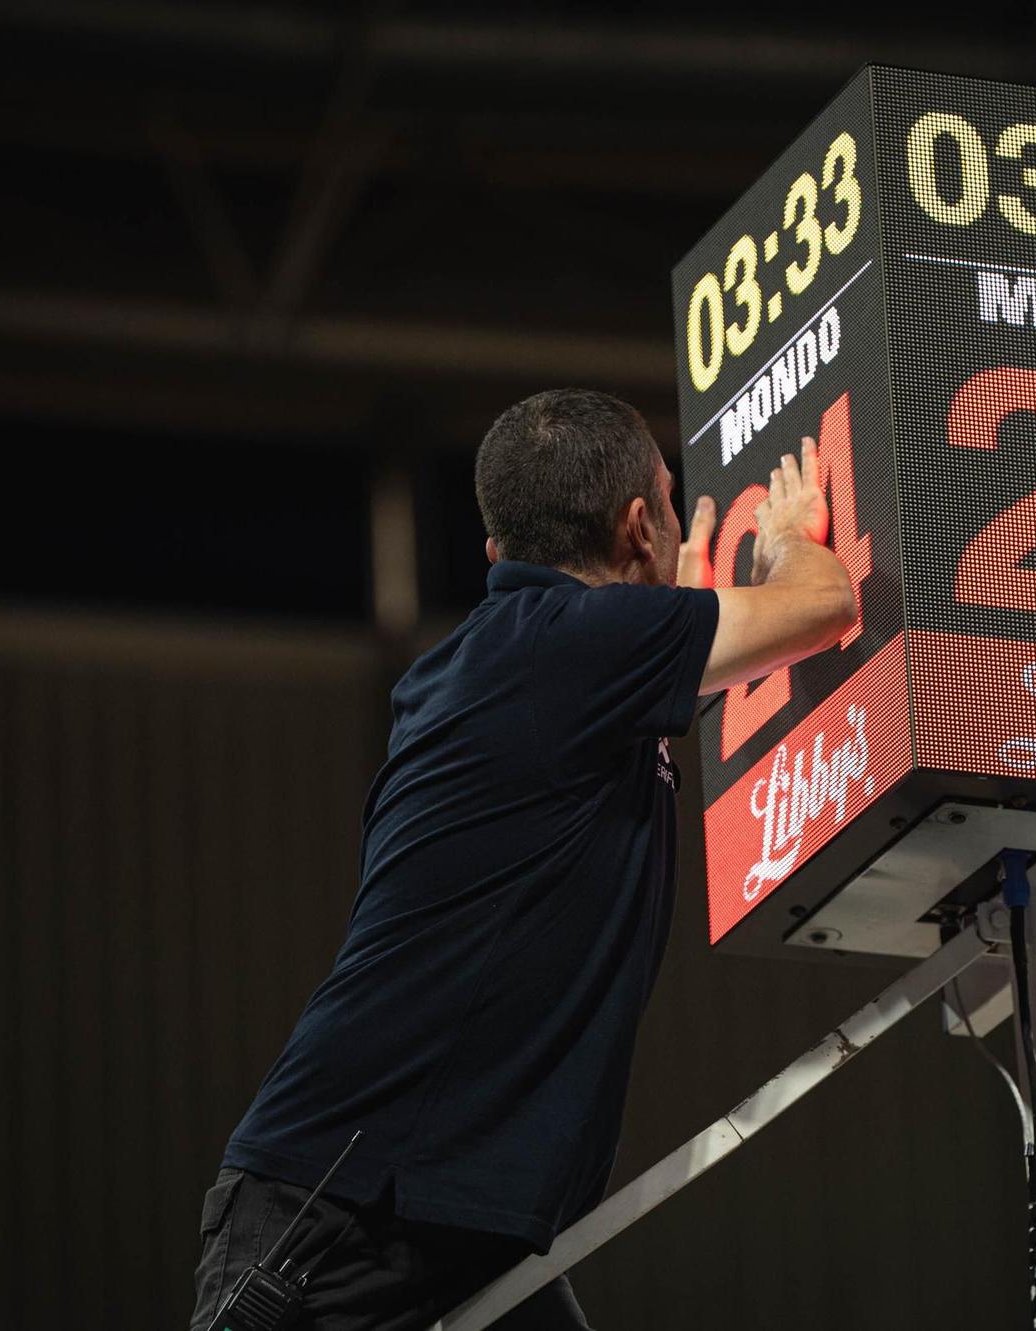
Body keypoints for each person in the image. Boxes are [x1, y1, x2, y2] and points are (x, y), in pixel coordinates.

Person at [189, 388, 856, 1331]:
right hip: (346, 1223)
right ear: (638, 527)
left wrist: (674, 618)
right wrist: (787, 538)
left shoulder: (517, 663)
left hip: (450, 1226)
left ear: (499, 551)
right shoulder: (571, 648)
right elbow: (825, 603)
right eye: (670, 499)